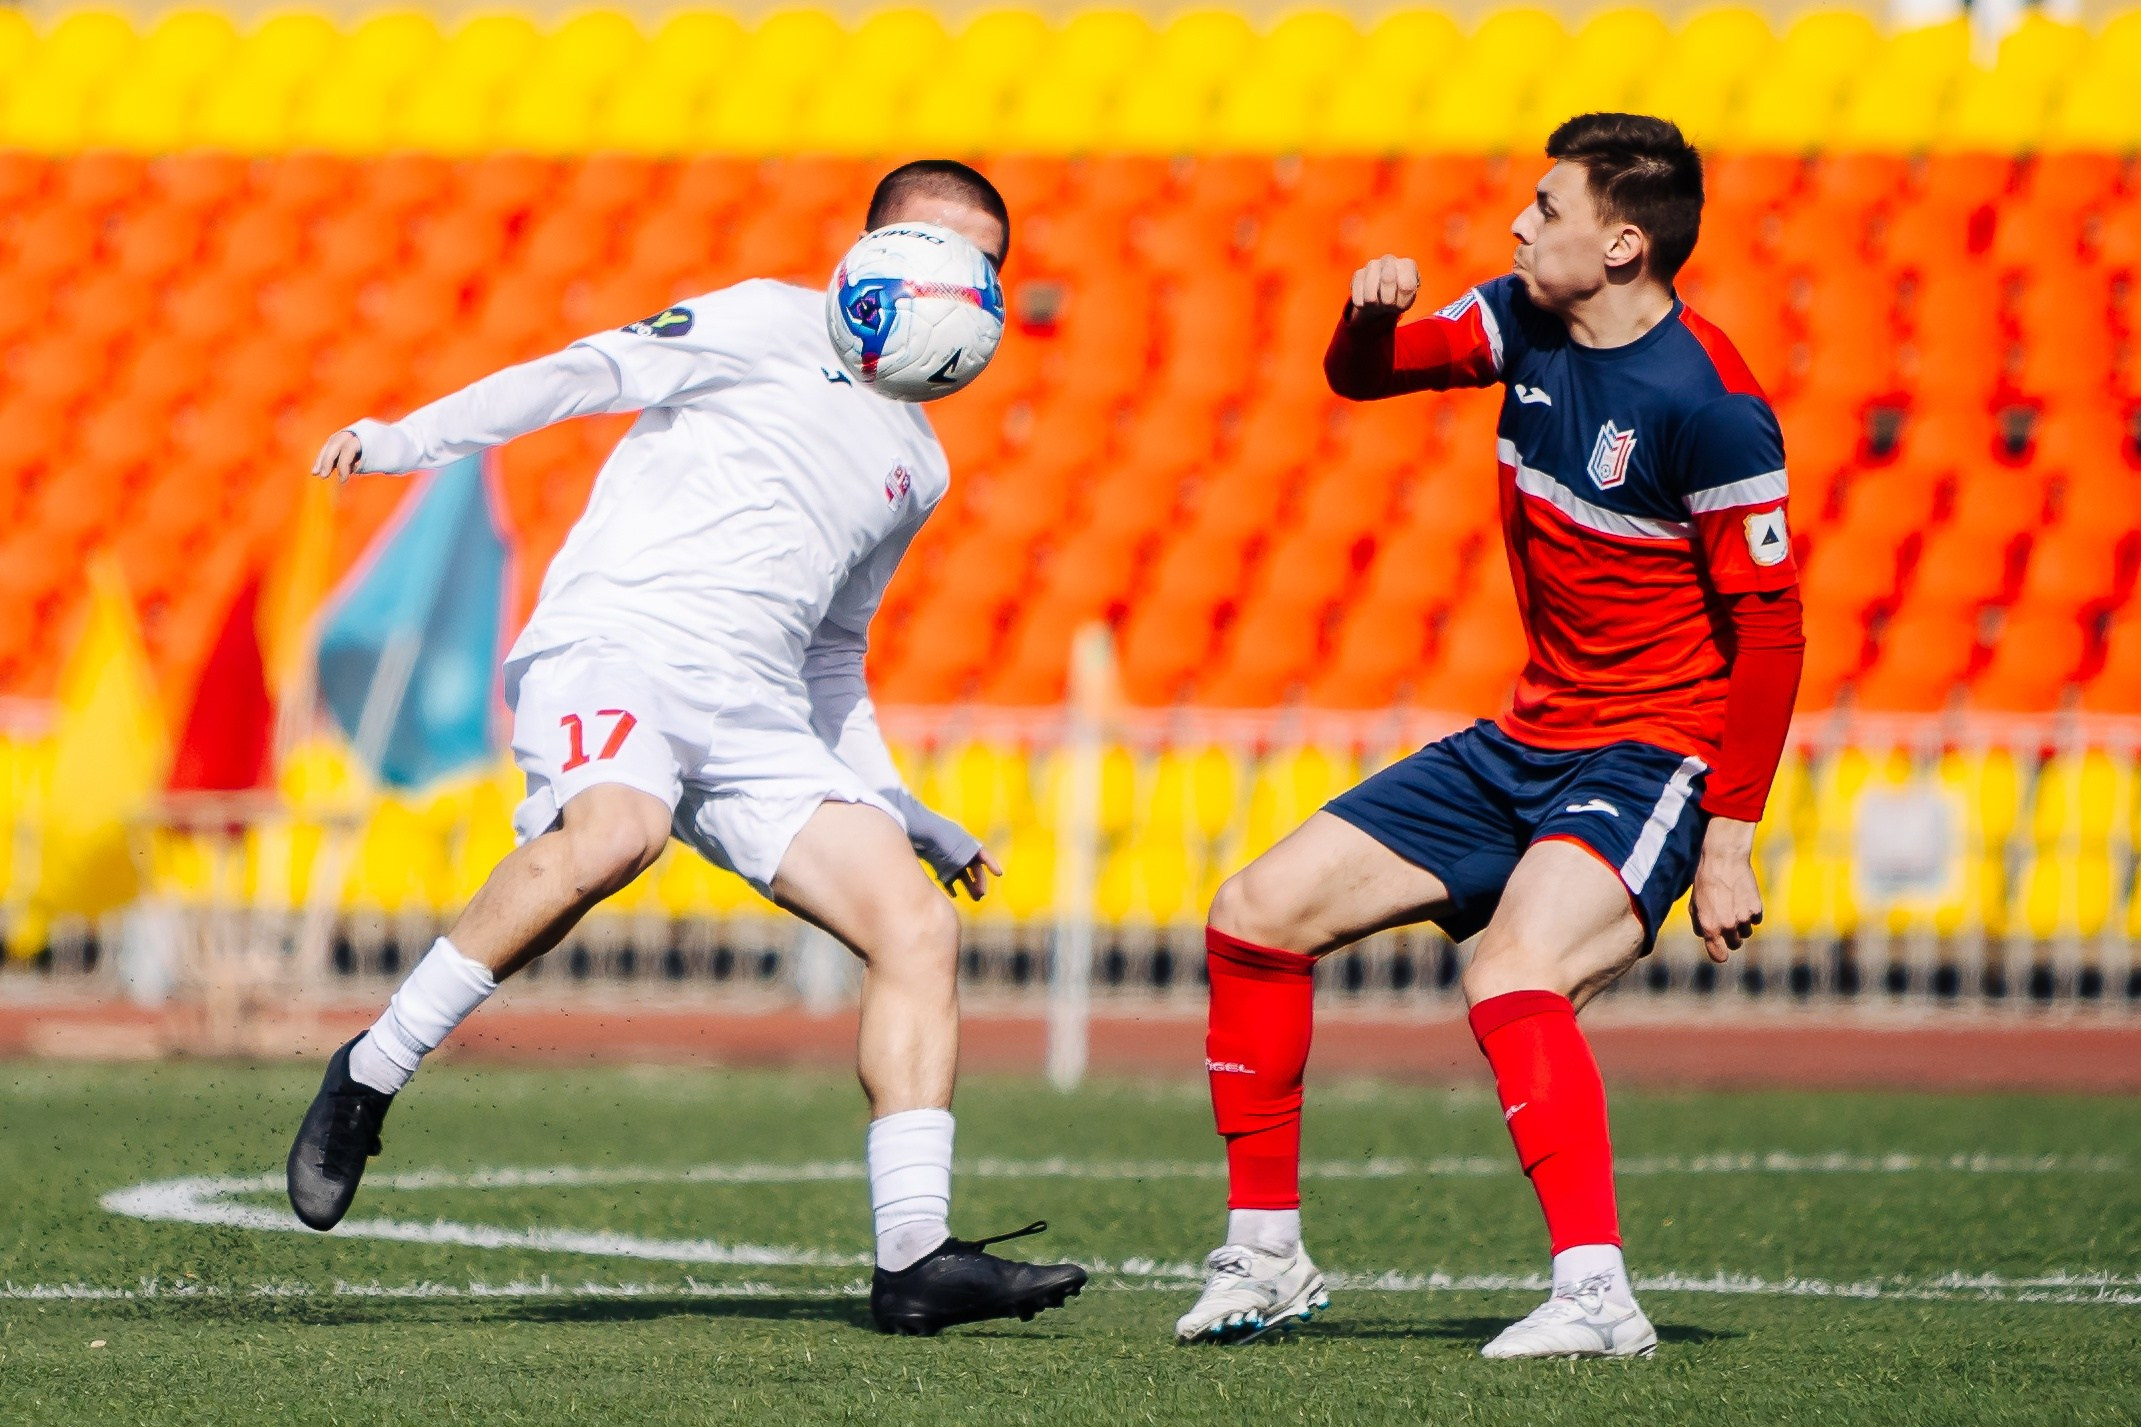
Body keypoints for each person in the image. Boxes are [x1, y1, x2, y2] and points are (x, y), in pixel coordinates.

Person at [285, 159, 1087, 1338]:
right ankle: (370, 1069)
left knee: (918, 926)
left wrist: (906, 810)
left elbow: (833, 658)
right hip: (618, 647)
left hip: (757, 714)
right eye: (937, 247)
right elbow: (584, 373)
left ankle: (913, 1255)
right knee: (619, 831)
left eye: (982, 267)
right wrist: (409, 437)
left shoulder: (920, 464)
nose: (953, 280)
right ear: (873, 247)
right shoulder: (761, 318)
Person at [1173, 114, 1805, 1357]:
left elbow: (1771, 631)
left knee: (1512, 973)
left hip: (1651, 749)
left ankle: (1595, 1294)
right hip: (1524, 737)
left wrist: (1729, 835)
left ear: (1621, 245)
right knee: (1254, 912)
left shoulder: (1712, 405)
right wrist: (1365, 316)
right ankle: (1264, 1256)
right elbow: (1360, 377)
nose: (1517, 224)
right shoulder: (1518, 316)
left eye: (1545, 208)